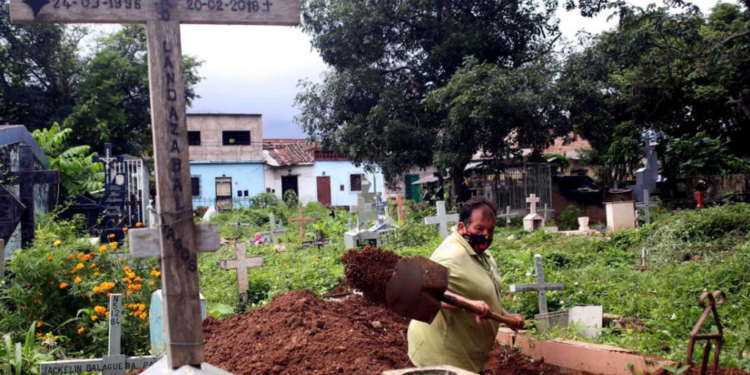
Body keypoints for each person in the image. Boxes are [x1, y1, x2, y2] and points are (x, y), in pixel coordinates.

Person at [407, 197, 524, 373]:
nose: (486, 235)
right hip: (443, 356)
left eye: (490, 230)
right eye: (479, 228)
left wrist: (507, 317)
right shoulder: (451, 256)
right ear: (462, 227)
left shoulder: (482, 254)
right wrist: (468, 304)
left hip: (467, 353)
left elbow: (482, 295)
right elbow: (420, 294)